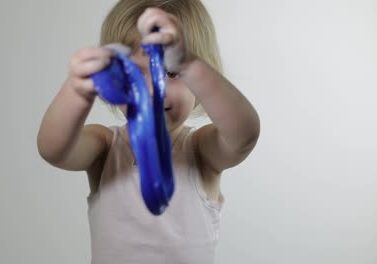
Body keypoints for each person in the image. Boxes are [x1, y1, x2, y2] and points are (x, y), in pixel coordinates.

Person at [37, 0, 260, 263]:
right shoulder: (105, 146)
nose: (153, 90)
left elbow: (244, 134)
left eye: (172, 72)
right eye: (133, 73)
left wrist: (190, 63)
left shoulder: (202, 150)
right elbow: (53, 149)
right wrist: (78, 89)